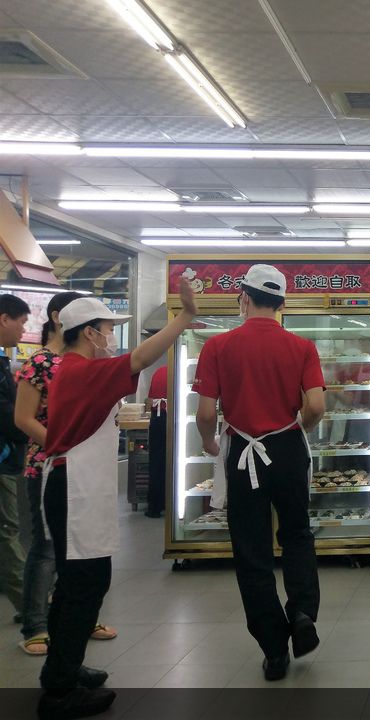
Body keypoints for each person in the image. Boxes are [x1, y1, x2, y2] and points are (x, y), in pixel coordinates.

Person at [36, 280, 196, 720]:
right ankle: (60, 692)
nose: (111, 337)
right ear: (89, 333)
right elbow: (141, 358)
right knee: (85, 585)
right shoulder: (83, 371)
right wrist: (184, 317)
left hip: (73, 485)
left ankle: (61, 669)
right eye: (107, 329)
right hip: (76, 488)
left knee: (74, 584)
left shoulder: (73, 369)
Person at [193, 264, 325, 682]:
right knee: (297, 534)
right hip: (287, 448)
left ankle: (274, 649)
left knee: (252, 550)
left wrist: (210, 443)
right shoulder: (301, 346)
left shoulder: (218, 345)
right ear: (282, 303)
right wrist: (298, 429)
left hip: (243, 451)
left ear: (244, 298)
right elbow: (316, 406)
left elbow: (206, 413)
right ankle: (302, 613)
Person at [15, 292, 118, 656]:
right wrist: (62, 445)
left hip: (82, 470)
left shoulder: (87, 363)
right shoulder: (41, 362)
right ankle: (36, 625)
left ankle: (76, 626)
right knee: (47, 550)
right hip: (49, 466)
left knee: (80, 558)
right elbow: (23, 418)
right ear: (61, 317)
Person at [0, 294, 30, 626]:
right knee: (7, 531)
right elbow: (7, 415)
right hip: (3, 460)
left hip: (8, 457)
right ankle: (29, 603)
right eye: (21, 322)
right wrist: (30, 429)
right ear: (4, 319)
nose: (23, 330)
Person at [144, 364, 168, 518]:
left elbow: (148, 402)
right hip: (170, 416)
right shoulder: (177, 372)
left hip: (157, 418)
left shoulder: (159, 371)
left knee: (156, 462)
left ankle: (154, 506)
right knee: (170, 462)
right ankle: (168, 502)